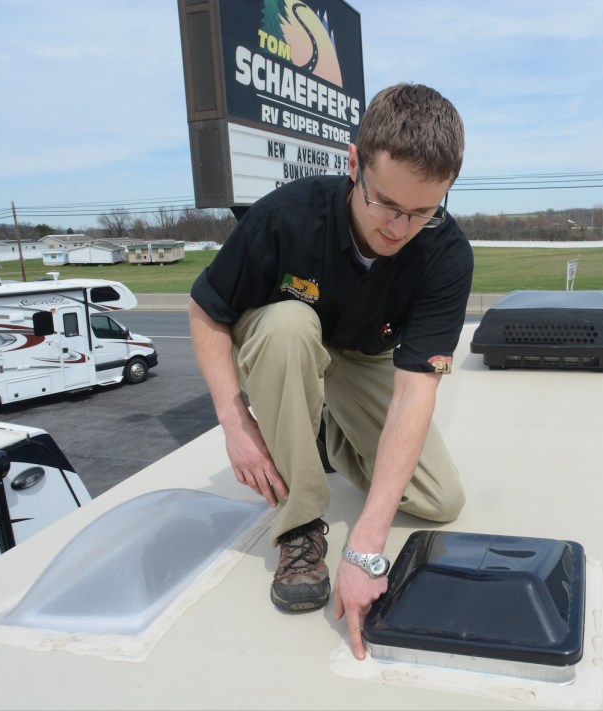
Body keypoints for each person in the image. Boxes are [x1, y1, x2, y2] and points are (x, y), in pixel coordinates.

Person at [188, 83, 472, 660]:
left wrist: (366, 547)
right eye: (386, 204)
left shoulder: (446, 254)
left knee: (440, 500)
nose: (399, 228)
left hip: (363, 357)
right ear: (353, 165)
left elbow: (415, 392)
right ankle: (299, 523)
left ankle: (332, 437)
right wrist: (235, 421)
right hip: (289, 342)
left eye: (423, 211)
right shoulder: (284, 218)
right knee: (291, 326)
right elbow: (205, 310)